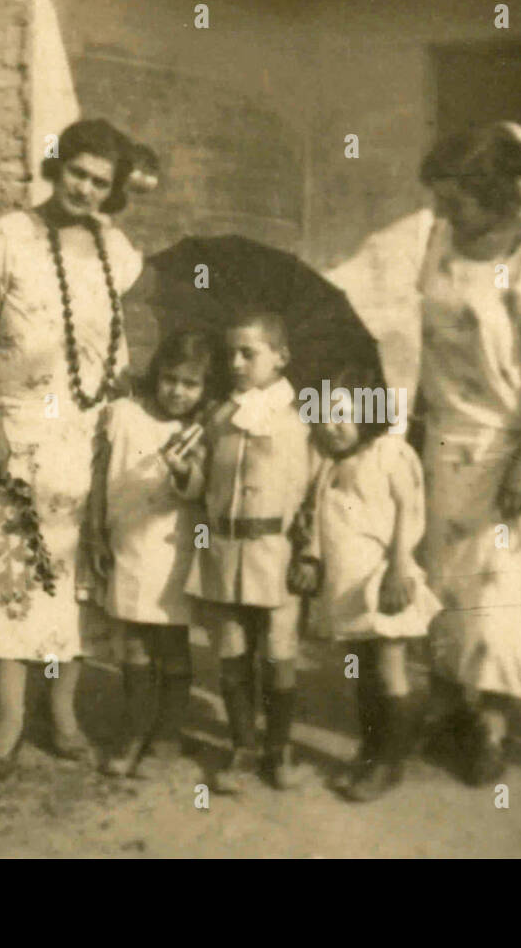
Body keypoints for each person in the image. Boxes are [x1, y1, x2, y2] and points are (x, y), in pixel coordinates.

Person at [0, 119, 157, 785]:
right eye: (78, 172)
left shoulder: (115, 249)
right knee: (11, 577)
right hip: (17, 435)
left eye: (102, 182)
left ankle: (64, 714)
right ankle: (9, 723)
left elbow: (119, 349)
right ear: (58, 166)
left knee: (79, 585)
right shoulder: (9, 235)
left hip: (89, 440)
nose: (87, 188)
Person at [414, 121, 521, 785]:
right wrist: (414, 420)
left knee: (498, 591)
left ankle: (490, 725)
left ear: (489, 192)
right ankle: (450, 706)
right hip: (445, 438)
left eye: (453, 199)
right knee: (445, 581)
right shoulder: (438, 241)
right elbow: (428, 340)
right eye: (438, 199)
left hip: (511, 444)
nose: (442, 212)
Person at [168, 312, 311, 791]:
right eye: (230, 353)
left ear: (281, 357)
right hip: (225, 549)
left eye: (248, 353)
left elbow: (314, 495)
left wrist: (310, 552)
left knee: (277, 650)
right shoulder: (218, 417)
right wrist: (183, 471)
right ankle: (242, 745)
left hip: (277, 551)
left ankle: (279, 748)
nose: (235, 362)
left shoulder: (298, 421)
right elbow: (199, 487)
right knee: (230, 648)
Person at [288, 362, 441, 801]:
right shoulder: (330, 466)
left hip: (383, 583)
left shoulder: (390, 454)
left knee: (390, 669)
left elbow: (409, 516)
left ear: (369, 411)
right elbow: (318, 519)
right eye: (325, 415)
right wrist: (311, 557)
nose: (333, 426)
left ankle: (390, 763)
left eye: (344, 414)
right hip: (347, 588)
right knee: (362, 674)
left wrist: (399, 568)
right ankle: (371, 751)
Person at [86, 330, 221, 781]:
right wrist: (95, 533)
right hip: (126, 544)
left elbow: (202, 491)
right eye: (169, 379)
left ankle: (166, 734)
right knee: (134, 646)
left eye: (191, 383)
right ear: (155, 374)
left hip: (172, 550)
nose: (178, 391)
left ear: (205, 388)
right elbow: (102, 473)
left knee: (172, 645)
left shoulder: (197, 431)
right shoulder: (122, 414)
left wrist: (186, 472)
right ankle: (134, 731)